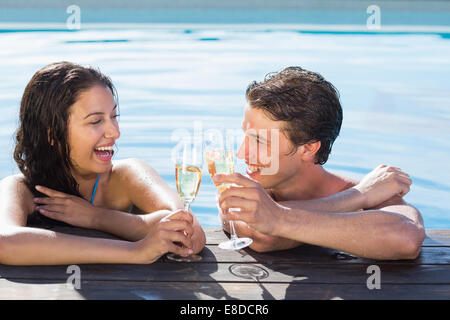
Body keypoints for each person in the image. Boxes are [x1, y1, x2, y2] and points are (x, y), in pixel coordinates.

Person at [0, 61, 205, 265]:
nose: (115, 132)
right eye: (96, 121)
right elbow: (4, 242)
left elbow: (188, 229)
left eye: (114, 117)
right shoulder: (23, 189)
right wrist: (136, 252)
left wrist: (95, 217)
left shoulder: (126, 175)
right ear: (52, 133)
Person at [215, 66, 425, 260]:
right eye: (246, 135)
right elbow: (260, 234)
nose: (242, 153)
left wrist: (277, 218)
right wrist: (356, 198)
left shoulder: (376, 195)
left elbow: (405, 238)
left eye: (259, 140)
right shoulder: (366, 193)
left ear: (307, 148)